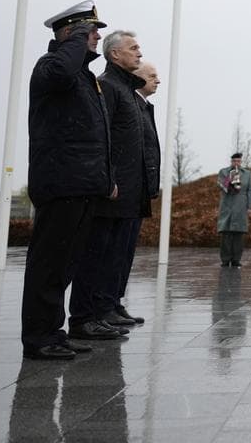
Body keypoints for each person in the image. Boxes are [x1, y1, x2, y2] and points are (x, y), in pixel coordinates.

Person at [20, 0, 112, 360]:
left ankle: (52, 331)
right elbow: (60, 70)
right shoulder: (51, 67)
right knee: (48, 265)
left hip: (82, 184)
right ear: (69, 34)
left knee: (64, 266)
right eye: (90, 32)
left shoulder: (83, 76)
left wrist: (105, 179)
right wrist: (73, 41)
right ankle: (39, 336)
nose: (96, 37)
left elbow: (97, 135)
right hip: (61, 183)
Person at [69, 30, 145, 338]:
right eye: (133, 48)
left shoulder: (125, 89)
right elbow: (104, 138)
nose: (139, 53)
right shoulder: (109, 87)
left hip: (127, 191)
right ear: (114, 55)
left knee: (113, 255)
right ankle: (84, 317)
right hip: (111, 190)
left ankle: (104, 309)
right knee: (95, 255)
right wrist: (108, 178)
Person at [113, 61, 160, 325]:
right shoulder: (129, 102)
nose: (158, 80)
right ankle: (104, 304)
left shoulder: (141, 105)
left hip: (138, 190)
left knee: (125, 252)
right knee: (114, 252)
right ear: (136, 78)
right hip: (125, 189)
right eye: (152, 75)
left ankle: (113, 301)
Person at [217, 153, 251, 266]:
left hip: (241, 206)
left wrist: (250, 206)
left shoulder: (247, 173)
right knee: (226, 234)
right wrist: (230, 179)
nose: (236, 163)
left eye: (238, 161)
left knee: (238, 235)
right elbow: (220, 185)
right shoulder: (223, 172)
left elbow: (250, 190)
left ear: (241, 162)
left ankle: (236, 260)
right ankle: (225, 260)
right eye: (234, 161)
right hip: (227, 206)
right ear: (231, 161)